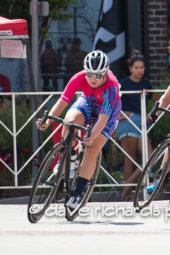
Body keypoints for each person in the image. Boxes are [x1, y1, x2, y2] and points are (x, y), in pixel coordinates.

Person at [37, 50, 121, 209]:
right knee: (69, 121)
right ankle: (68, 158)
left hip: (108, 111)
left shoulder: (112, 86)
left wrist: (92, 136)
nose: (93, 79)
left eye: (98, 75)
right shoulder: (78, 77)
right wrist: (47, 121)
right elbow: (62, 102)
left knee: (91, 148)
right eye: (90, 74)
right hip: (88, 102)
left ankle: (77, 194)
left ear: (105, 73)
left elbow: (103, 119)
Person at [116, 51, 156, 201]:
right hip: (127, 122)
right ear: (131, 68)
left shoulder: (146, 84)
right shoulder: (123, 83)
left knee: (149, 156)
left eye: (142, 67)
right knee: (130, 159)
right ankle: (129, 193)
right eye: (137, 67)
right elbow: (111, 101)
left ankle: (126, 186)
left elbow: (158, 99)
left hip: (143, 123)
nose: (140, 70)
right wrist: (118, 115)